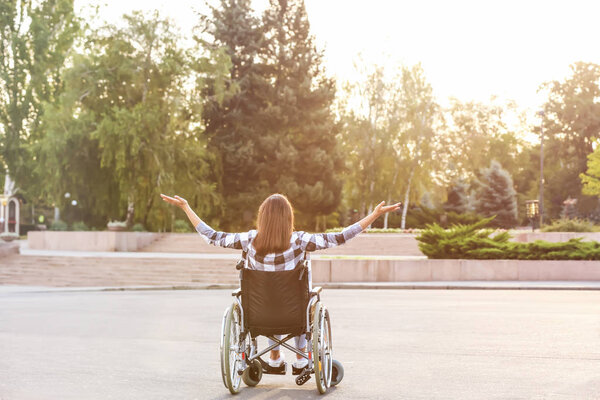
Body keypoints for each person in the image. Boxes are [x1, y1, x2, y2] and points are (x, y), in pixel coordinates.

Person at [160, 193, 400, 371]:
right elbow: (340, 236)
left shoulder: (248, 241)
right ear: (289, 218)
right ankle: (301, 358)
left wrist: (186, 207)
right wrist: (375, 215)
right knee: (302, 296)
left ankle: (274, 357)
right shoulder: (300, 241)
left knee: (269, 298)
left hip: (259, 315)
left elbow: (211, 236)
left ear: (262, 218)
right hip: (295, 314)